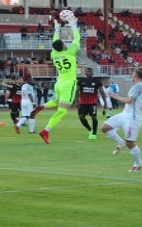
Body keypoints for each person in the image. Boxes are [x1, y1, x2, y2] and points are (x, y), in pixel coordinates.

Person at [37, 11, 81, 144]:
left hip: (59, 83)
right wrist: (73, 25)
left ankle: (42, 106)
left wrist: (57, 29)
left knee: (57, 102)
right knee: (62, 110)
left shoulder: (53, 54)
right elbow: (77, 39)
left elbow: (55, 41)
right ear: (63, 45)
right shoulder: (70, 53)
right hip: (68, 84)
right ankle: (46, 130)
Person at [102, 68, 142, 172]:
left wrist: (114, 96)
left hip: (133, 117)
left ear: (136, 75)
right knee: (105, 127)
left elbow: (129, 100)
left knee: (130, 143)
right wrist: (140, 101)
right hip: (125, 114)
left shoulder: (137, 86)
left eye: (133, 73)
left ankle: (138, 163)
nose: (132, 74)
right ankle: (121, 143)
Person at [76, 67, 107, 139]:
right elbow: (77, 91)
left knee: (94, 117)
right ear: (85, 73)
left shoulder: (97, 81)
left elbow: (102, 92)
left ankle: (94, 134)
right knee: (81, 117)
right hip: (82, 103)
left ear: (93, 73)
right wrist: (76, 102)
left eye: (90, 72)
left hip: (92, 103)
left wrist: (105, 103)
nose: (88, 73)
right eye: (87, 72)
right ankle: (90, 130)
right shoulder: (80, 81)